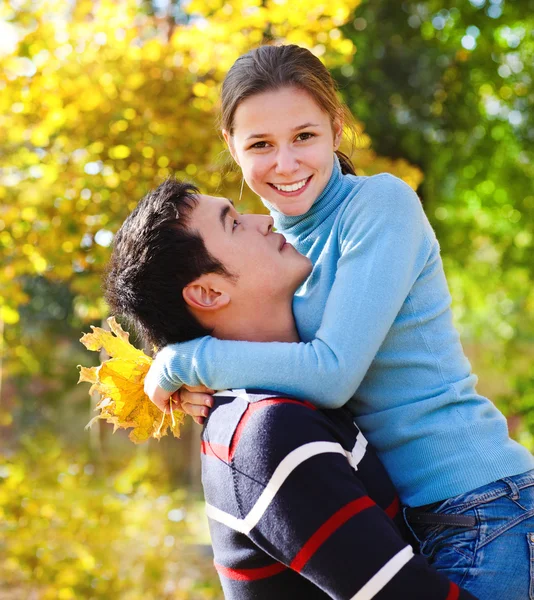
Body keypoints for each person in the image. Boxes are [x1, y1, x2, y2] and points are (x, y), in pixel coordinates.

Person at [143, 45, 534, 599]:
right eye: (260, 144)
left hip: (483, 507)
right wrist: (195, 382)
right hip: (407, 521)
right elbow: (262, 352)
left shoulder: (379, 207)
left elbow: (331, 372)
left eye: (303, 136)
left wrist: (187, 359)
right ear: (232, 146)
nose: (285, 163)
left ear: (336, 126)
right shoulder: (269, 251)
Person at [104, 178, 476, 599]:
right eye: (234, 224)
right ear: (208, 292)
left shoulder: (284, 407)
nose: (264, 220)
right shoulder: (269, 433)